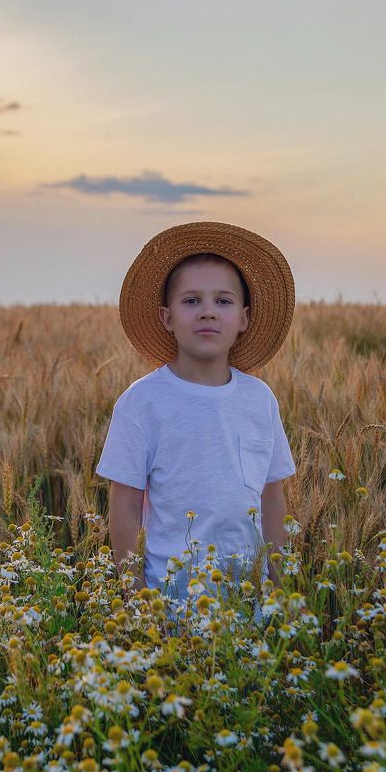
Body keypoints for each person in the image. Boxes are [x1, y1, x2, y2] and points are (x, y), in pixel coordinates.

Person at [95, 221, 296, 608]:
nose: (207, 312)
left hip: (249, 597)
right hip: (169, 599)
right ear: (167, 318)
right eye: (191, 301)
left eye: (223, 301)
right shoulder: (143, 403)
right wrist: (134, 595)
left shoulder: (259, 399)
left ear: (244, 319)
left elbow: (272, 496)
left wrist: (280, 582)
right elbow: (123, 505)